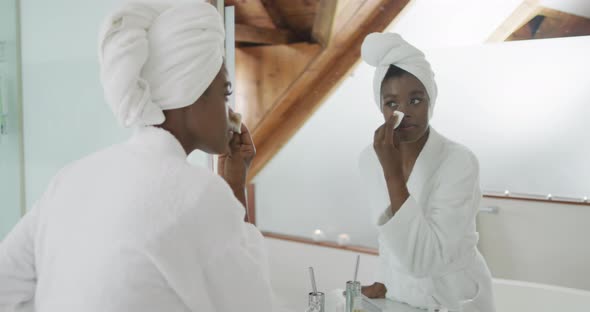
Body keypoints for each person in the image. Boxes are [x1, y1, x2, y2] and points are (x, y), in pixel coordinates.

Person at [0, 1, 273, 311]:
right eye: (224, 93)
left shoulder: (73, 178)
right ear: (192, 91)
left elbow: (5, 287)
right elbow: (252, 304)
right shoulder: (199, 194)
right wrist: (234, 188)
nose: (231, 113)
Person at [358, 32, 495, 312]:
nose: (404, 112)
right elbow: (390, 236)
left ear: (431, 99)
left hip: (453, 297)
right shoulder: (369, 159)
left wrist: (393, 174)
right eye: (392, 103)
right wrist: (386, 280)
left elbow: (426, 260)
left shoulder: (459, 161)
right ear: (381, 106)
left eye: (416, 100)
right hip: (401, 296)